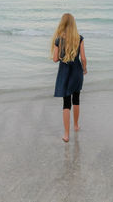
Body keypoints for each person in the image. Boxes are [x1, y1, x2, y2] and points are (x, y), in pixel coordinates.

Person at [50, 13, 87, 142]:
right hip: (77, 72)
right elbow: (83, 58)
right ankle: (76, 126)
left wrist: (60, 53)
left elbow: (55, 59)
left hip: (65, 73)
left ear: (62, 24)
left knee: (66, 102)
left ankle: (66, 134)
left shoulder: (59, 40)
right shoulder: (79, 38)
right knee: (76, 99)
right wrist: (85, 69)